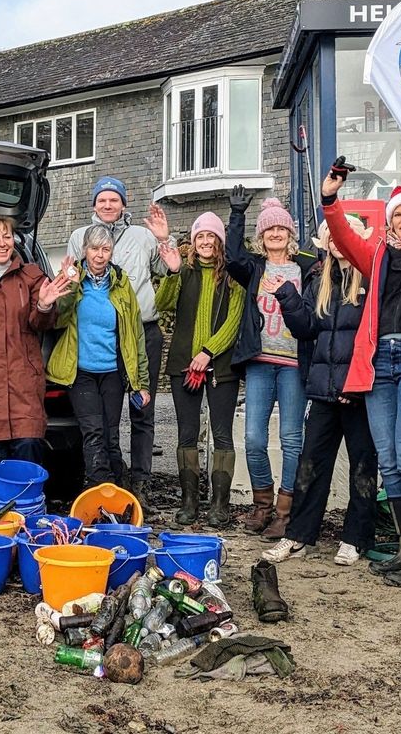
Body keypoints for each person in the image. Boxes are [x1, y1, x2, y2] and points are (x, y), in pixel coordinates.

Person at [321, 160, 401, 588]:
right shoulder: (377, 256)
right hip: (378, 365)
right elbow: (343, 236)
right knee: (389, 461)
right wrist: (331, 199)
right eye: (398, 215)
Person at [259, 218, 379, 566]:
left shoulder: (369, 277)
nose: (338, 243)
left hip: (357, 392)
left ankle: (355, 539)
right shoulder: (319, 279)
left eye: (344, 236)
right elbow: (307, 330)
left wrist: (353, 386)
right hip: (323, 392)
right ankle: (298, 535)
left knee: (363, 466)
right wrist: (287, 296)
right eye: (332, 238)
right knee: (310, 465)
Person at [66, 177, 175, 508]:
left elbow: (165, 269)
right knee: (101, 420)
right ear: (94, 205)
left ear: (124, 204)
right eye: (102, 200)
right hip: (99, 337)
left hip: (142, 331)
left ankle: (140, 480)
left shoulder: (142, 236)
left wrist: (163, 239)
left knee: (142, 410)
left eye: (115, 199)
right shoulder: (78, 237)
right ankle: (109, 478)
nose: (108, 205)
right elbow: (70, 280)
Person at [226, 188, 318, 538]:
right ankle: (262, 503)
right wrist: (237, 216)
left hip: (294, 364)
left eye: (281, 229)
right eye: (269, 230)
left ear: (291, 235)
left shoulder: (306, 269)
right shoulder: (254, 269)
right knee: (253, 438)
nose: (276, 234)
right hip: (260, 362)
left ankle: (285, 509)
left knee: (292, 438)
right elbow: (233, 255)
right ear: (262, 237)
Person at [0, 216, 70, 465]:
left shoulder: (31, 277)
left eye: (6, 236)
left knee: (28, 448)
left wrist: (43, 305)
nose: (2, 243)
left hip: (23, 384)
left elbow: (42, 325)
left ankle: (25, 506)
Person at [156, 212, 245, 526]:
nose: (206, 242)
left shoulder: (233, 275)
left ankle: (220, 504)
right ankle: (189, 501)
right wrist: (171, 272)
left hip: (220, 366)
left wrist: (208, 352)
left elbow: (234, 321)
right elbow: (163, 304)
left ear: (220, 240)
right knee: (187, 434)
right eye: (200, 237)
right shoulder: (185, 271)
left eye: (211, 236)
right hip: (183, 364)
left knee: (222, 435)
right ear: (193, 242)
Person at [48, 224, 150, 489]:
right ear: (85, 250)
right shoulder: (71, 278)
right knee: (93, 434)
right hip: (80, 371)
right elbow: (57, 319)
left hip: (112, 372)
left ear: (112, 252)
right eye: (94, 249)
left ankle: (119, 493)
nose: (99, 255)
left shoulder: (120, 283)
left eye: (106, 249)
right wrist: (68, 286)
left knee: (111, 436)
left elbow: (135, 333)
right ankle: (99, 494)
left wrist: (142, 382)